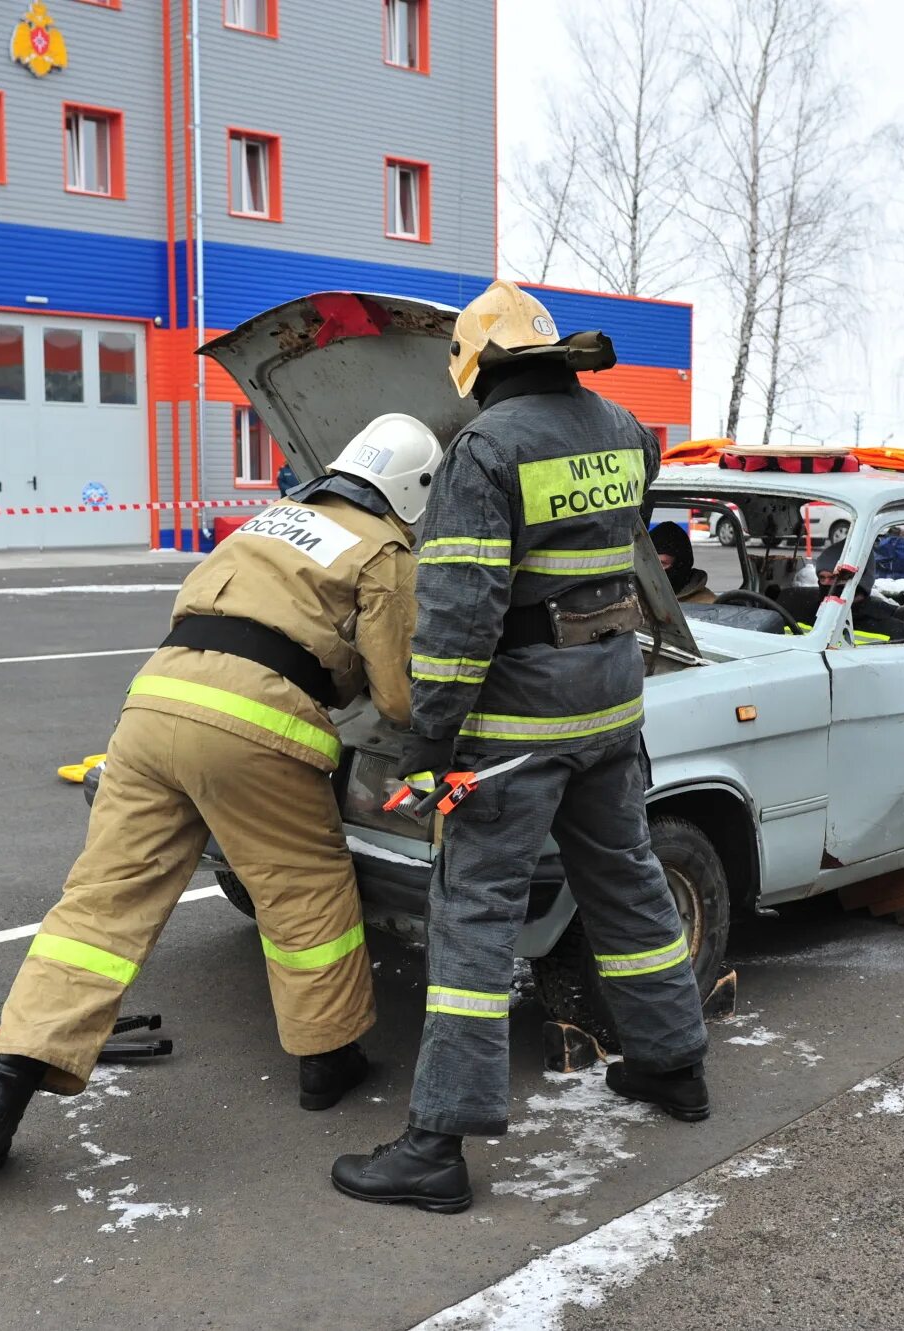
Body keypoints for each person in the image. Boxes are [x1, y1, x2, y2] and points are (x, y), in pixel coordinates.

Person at [0, 414, 443, 1178]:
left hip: (150, 708)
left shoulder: (270, 520)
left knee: (100, 905)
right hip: (252, 725)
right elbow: (400, 697)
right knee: (305, 891)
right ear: (414, 490)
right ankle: (328, 1061)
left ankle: (5, 1086)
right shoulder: (384, 548)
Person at [332, 281, 711, 1215]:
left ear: (478, 367)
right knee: (627, 879)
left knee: (472, 910)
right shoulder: (622, 427)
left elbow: (460, 611)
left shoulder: (486, 449)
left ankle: (436, 1144)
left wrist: (430, 735)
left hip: (518, 731)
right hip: (610, 707)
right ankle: (675, 1067)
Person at [648, 520, 717, 603]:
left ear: (680, 565)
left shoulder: (708, 605)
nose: (656, 569)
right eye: (651, 563)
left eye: (663, 563)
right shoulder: (636, 599)